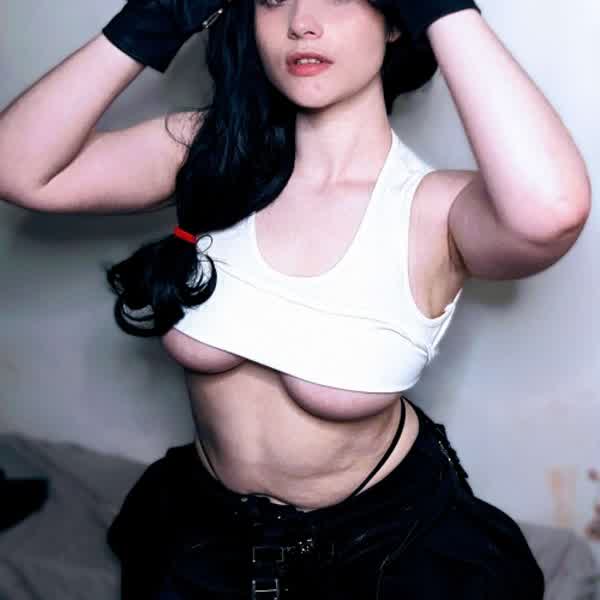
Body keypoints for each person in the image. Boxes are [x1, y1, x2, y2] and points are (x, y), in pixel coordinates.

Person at [0, 0, 591, 597]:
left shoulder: (434, 207)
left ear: (395, 19)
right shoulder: (208, 153)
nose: (302, 21)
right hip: (208, 529)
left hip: (384, 544)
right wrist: (151, 21)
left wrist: (442, 11)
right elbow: (17, 168)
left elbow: (551, 212)